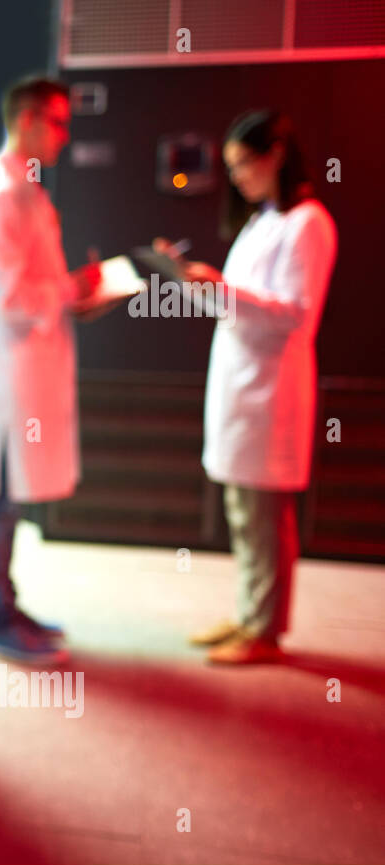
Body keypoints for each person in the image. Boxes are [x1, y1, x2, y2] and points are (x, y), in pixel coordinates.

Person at [165, 110, 337, 665]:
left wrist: (220, 288)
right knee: (244, 513)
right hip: (243, 384)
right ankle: (249, 613)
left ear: (276, 157)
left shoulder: (308, 222)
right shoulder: (262, 220)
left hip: (272, 391)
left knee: (264, 516)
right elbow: (236, 303)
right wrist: (193, 282)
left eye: (244, 164)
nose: (236, 177)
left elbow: (295, 314)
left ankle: (265, 630)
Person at [0, 75, 102, 665]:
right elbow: (5, 299)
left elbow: (33, 290)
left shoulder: (28, 190)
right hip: (3, 374)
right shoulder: (0, 194)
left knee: (9, 497)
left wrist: (76, 294)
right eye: (59, 123)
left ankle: (7, 602)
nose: (65, 137)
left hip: (25, 370)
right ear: (28, 120)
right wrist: (70, 289)